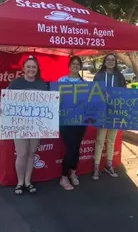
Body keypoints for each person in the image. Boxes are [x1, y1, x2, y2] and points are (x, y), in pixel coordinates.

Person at [2, 55, 47, 195]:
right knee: (21, 153)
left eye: (34, 67)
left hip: (36, 125)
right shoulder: (15, 83)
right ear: (23, 68)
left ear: (37, 68)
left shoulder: (42, 84)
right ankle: (20, 182)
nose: (31, 69)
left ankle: (28, 181)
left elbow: (47, 105)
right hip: (19, 125)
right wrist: (2, 108)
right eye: (28, 67)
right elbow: (6, 101)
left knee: (31, 153)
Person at [92, 53, 126, 180]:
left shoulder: (120, 76)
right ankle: (96, 167)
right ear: (104, 61)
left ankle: (109, 165)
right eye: (108, 59)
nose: (110, 61)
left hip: (115, 113)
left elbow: (124, 94)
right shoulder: (99, 76)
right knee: (100, 140)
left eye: (113, 60)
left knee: (111, 140)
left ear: (115, 62)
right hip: (102, 113)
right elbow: (93, 93)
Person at [58, 56, 87, 191]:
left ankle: (73, 173)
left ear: (80, 67)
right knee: (70, 148)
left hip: (80, 121)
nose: (75, 66)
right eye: (73, 64)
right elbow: (56, 100)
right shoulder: (61, 81)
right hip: (66, 121)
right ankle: (64, 177)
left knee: (76, 148)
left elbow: (90, 102)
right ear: (69, 66)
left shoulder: (85, 83)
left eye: (78, 64)